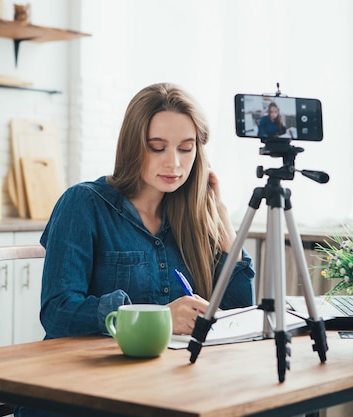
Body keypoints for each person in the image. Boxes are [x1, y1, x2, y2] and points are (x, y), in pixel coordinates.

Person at [15, 83, 255, 417]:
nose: (174, 163)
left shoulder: (191, 216)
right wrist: (160, 318)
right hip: (80, 393)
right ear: (133, 147)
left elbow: (238, 311)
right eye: (158, 147)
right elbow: (57, 312)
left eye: (186, 149)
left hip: (164, 388)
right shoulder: (84, 204)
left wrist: (223, 225)